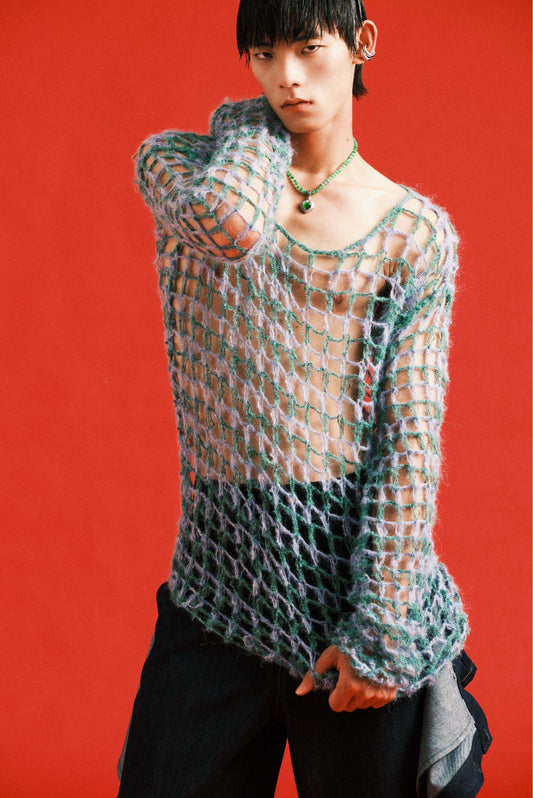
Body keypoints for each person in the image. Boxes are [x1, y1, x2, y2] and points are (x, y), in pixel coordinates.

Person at [116, 1, 492, 796]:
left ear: (361, 44)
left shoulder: (412, 232)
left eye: (307, 48)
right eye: (263, 54)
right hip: (218, 569)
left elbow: (407, 439)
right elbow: (228, 225)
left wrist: (380, 626)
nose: (286, 76)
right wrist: (250, 125)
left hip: (352, 574)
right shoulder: (186, 168)